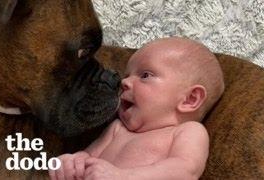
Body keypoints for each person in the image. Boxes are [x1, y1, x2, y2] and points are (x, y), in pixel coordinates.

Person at [49, 37, 225, 180]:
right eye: (127, 75)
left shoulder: (188, 132)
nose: (124, 82)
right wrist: (70, 163)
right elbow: (86, 158)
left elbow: (185, 170)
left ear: (189, 99)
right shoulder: (116, 129)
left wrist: (123, 176)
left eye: (145, 75)